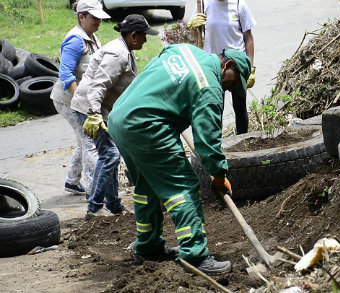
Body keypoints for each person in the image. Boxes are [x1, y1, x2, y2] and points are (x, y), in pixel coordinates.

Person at [107, 44, 252, 275]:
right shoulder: (209, 86)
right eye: (234, 82)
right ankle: (195, 255)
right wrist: (219, 175)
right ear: (228, 66)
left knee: (146, 187)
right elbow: (208, 142)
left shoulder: (185, 50)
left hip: (120, 118)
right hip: (146, 126)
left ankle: (148, 246)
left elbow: (164, 63)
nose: (230, 89)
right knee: (183, 186)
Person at [70, 14, 159, 220]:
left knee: (110, 154)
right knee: (110, 155)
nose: (146, 40)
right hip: (89, 109)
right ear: (134, 36)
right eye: (144, 36)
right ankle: (94, 208)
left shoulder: (125, 50)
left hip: (101, 110)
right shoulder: (117, 54)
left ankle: (114, 205)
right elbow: (98, 85)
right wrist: (93, 114)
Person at [50, 0, 110, 196]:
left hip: (80, 99)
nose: (98, 21)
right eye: (94, 17)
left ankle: (72, 181)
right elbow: (66, 75)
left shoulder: (91, 36)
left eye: (100, 18)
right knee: (90, 142)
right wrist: (83, 104)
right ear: (81, 16)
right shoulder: (75, 40)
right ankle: (95, 191)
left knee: (82, 140)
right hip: (68, 100)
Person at [187, 0, 256, 134]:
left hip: (236, 65)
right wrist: (193, 28)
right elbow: (195, 39)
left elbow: (249, 38)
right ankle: (218, 144)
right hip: (213, 65)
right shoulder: (203, 4)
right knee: (216, 108)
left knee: (240, 107)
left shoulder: (238, 4)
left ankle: (243, 139)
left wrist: (251, 67)